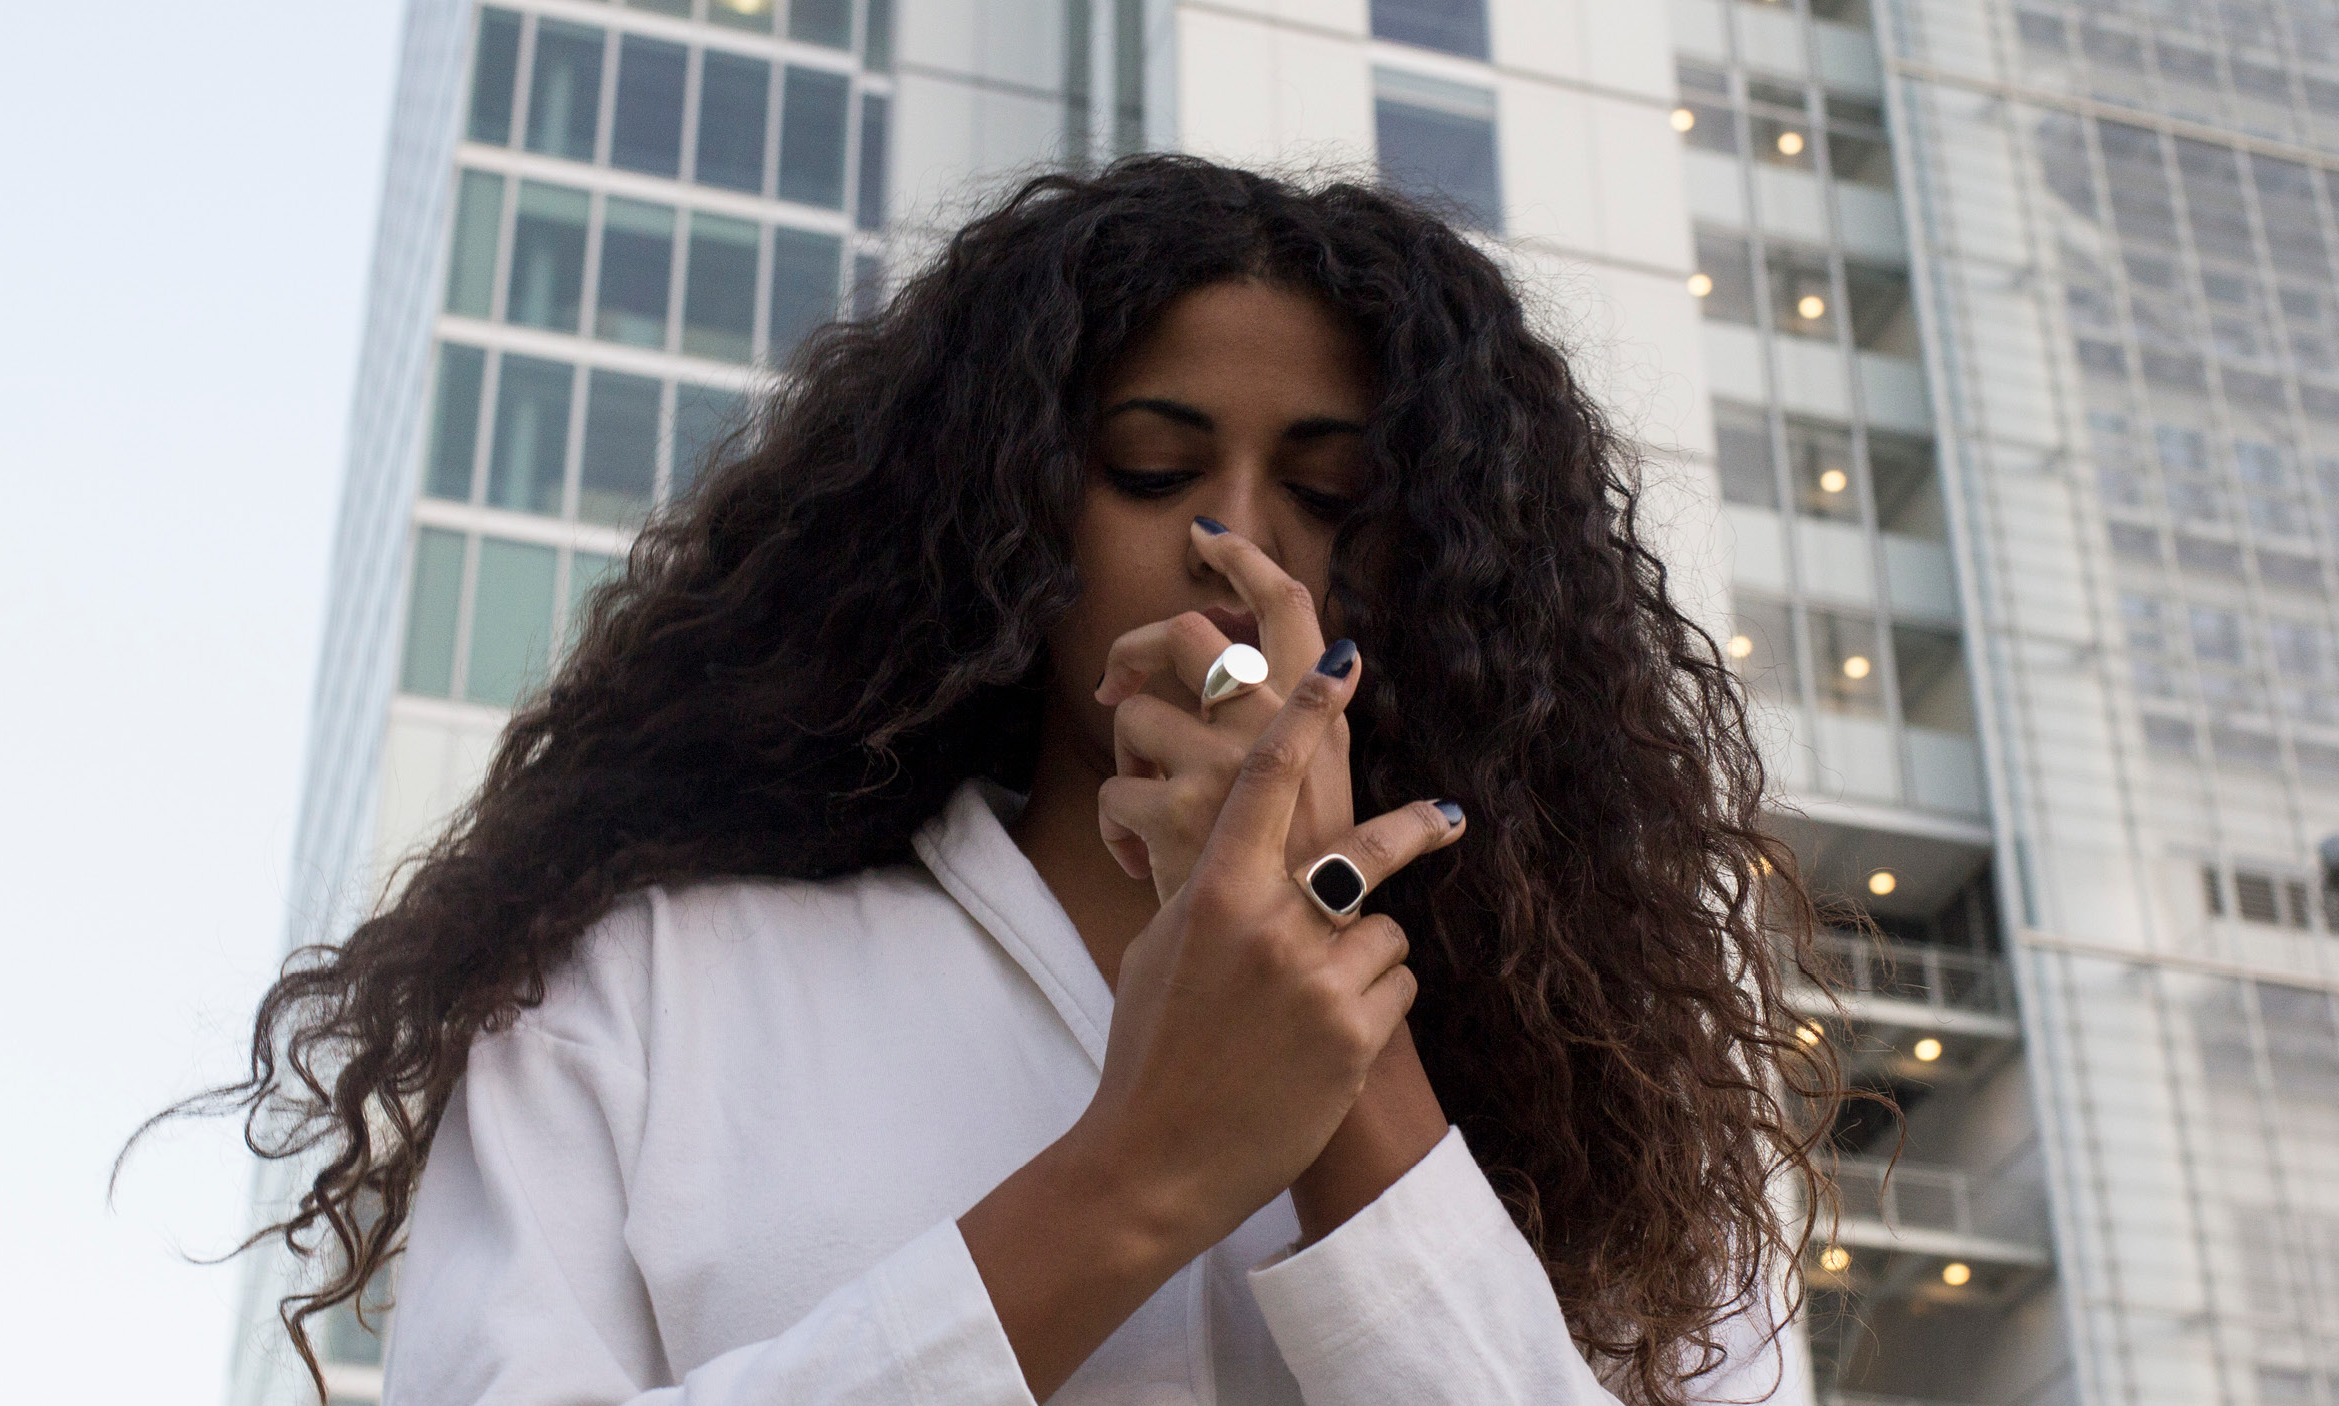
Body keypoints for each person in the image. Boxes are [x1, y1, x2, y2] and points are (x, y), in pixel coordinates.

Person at [211, 155, 1838, 1405]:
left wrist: (1348, 1047)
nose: (1241, 540)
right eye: (1152, 467)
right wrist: (1132, 1180)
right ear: (1009, 512)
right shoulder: (653, 979)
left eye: (1332, 492)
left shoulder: (1621, 1081)